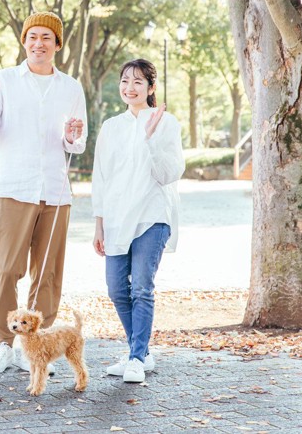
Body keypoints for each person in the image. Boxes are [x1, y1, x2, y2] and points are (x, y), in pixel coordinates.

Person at [0, 11, 87, 374]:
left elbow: (77, 144)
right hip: (14, 188)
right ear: (24, 41)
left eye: (47, 38)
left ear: (57, 45)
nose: (39, 43)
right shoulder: (4, 80)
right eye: (33, 36)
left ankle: (36, 347)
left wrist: (72, 133)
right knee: (5, 269)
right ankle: (4, 344)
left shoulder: (71, 87)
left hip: (55, 191)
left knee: (48, 274)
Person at [91, 58, 184, 383]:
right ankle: (141, 352)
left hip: (152, 215)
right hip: (116, 218)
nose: (130, 88)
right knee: (117, 289)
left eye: (138, 82)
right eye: (125, 81)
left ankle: (135, 357)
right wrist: (99, 224)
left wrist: (149, 139)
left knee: (142, 288)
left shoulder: (166, 123)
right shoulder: (111, 126)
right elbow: (100, 177)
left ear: (151, 88)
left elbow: (170, 173)